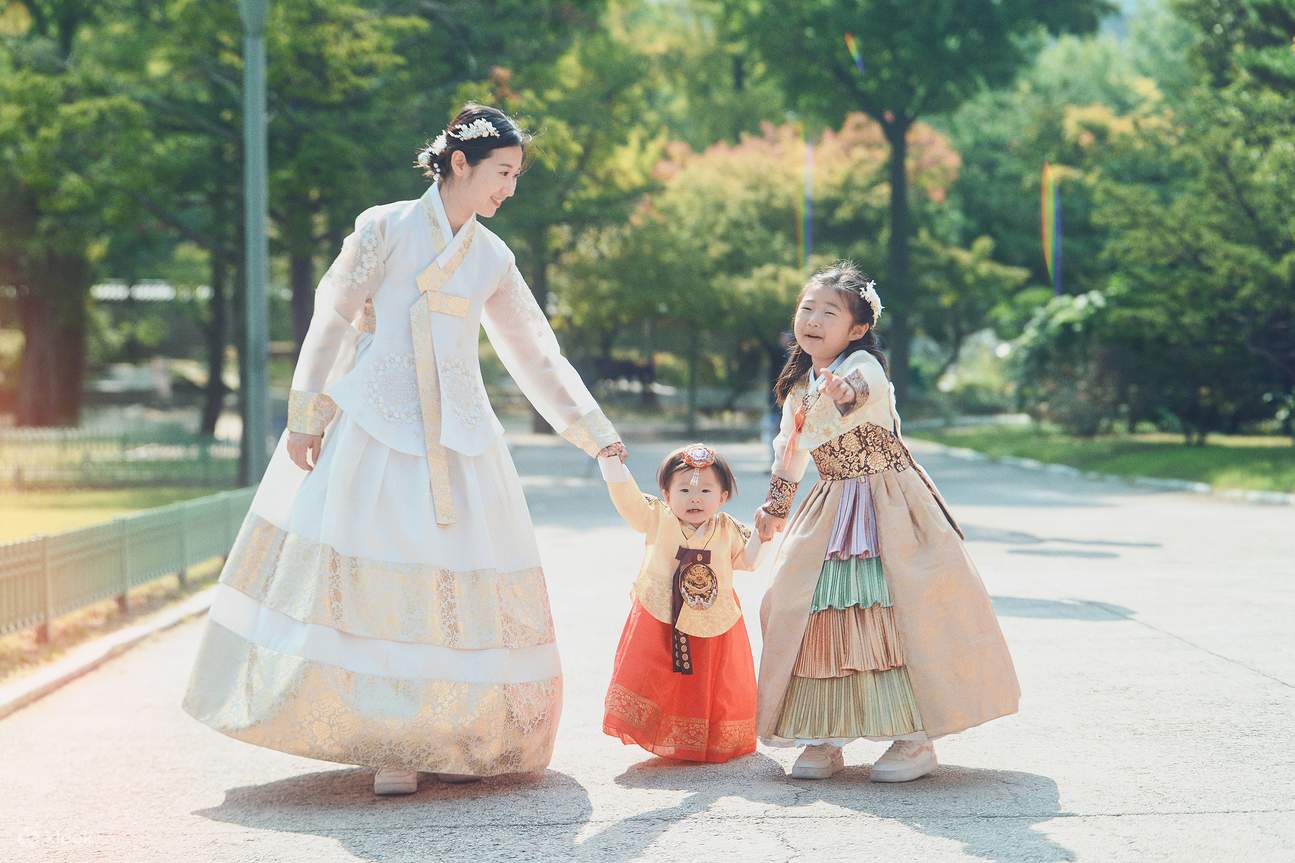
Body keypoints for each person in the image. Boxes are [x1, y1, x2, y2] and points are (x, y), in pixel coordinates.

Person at [182, 104, 625, 796]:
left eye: (515, 176)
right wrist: (307, 410)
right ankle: (391, 743)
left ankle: (450, 735)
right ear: (459, 163)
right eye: (502, 172)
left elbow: (536, 354)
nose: (509, 188)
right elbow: (333, 316)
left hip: (461, 441)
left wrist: (594, 431)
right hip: (376, 430)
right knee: (379, 582)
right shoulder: (383, 228)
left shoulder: (491, 257)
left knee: (455, 583)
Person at [754, 262, 1019, 781]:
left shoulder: (864, 366)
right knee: (809, 608)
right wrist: (775, 508)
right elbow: (790, 454)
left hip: (890, 502)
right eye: (807, 308)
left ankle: (914, 739)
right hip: (832, 505)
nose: (813, 320)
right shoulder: (797, 387)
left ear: (857, 328)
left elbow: (862, 387)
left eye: (829, 313)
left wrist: (843, 392)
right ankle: (823, 733)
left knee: (899, 609)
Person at [598, 444, 764, 762]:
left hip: (713, 617)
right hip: (660, 614)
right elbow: (629, 501)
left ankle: (705, 738)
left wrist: (764, 535)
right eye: (684, 490)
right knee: (658, 673)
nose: (694, 498)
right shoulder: (657, 518)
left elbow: (748, 561)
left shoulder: (727, 528)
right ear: (666, 494)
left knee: (709, 680)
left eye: (705, 490)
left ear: (723, 497)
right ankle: (658, 731)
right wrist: (612, 464)